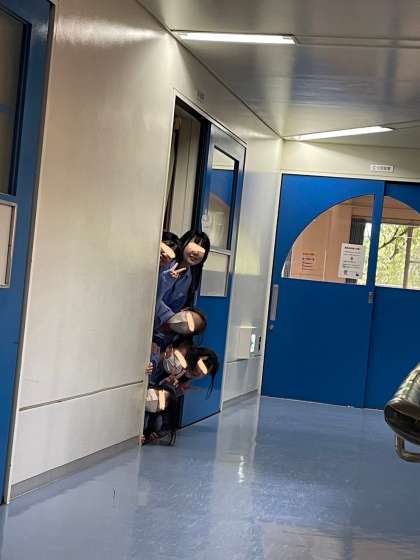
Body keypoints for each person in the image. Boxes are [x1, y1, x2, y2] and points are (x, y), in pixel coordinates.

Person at [154, 230, 210, 330]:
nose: (196, 253)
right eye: (193, 246)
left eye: (201, 250)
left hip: (156, 326)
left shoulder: (190, 280)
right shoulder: (165, 260)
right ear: (184, 243)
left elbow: (175, 309)